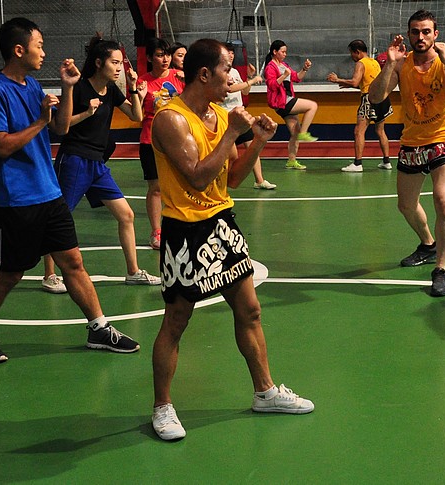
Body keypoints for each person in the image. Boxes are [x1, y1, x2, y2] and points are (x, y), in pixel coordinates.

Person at [149, 38, 314, 441]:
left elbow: (233, 179)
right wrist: (233, 131)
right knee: (177, 321)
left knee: (251, 310)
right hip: (185, 231)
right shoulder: (171, 119)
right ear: (205, 74)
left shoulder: (220, 116)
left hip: (221, 223)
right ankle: (162, 407)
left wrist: (256, 139)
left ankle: (265, 391)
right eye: (227, 70)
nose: (233, 78)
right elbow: (198, 176)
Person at [0, 17, 139, 364]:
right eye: (38, 45)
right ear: (19, 50)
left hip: (48, 191)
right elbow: (2, 146)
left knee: (74, 262)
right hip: (15, 198)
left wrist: (66, 89)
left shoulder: (33, 85)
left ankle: (98, 328)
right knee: (11, 273)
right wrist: (38, 121)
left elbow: (61, 128)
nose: (43, 52)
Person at [368, 9, 445, 297]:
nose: (420, 37)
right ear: (409, 34)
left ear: (435, 34)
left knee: (443, 199)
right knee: (405, 205)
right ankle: (428, 244)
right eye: (415, 31)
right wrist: (389, 65)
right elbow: (375, 96)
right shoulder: (401, 64)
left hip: (444, 139)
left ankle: (440, 268)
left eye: (426, 31)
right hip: (412, 143)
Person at [41, 35, 161, 289]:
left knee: (126, 215)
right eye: (114, 63)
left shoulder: (112, 90)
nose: (118, 68)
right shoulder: (81, 87)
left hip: (97, 164)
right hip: (74, 160)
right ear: (98, 63)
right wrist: (87, 113)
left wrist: (135, 91)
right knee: (59, 217)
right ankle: (49, 275)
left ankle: (133, 271)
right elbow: (59, 126)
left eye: (120, 63)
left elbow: (136, 116)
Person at [135, 36, 185, 249]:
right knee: (156, 188)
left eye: (166, 54)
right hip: (151, 139)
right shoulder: (142, 81)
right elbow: (136, 114)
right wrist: (137, 93)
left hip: (179, 137)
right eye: (159, 55)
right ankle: (156, 231)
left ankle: (182, 226)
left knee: (181, 184)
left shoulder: (180, 77)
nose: (164, 59)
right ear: (149, 57)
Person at [327, 39, 393, 172]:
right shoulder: (374, 62)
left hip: (369, 100)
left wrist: (337, 79)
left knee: (359, 131)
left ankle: (357, 164)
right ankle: (387, 161)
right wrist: (349, 85)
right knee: (380, 131)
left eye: (352, 53)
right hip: (382, 98)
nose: (351, 56)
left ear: (357, 52)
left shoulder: (360, 63)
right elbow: (368, 84)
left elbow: (356, 82)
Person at [221, 42, 276, 190]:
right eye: (228, 52)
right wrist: (251, 80)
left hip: (241, 117)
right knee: (231, 155)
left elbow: (244, 92)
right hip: (226, 118)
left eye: (232, 53)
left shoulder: (235, 72)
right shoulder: (220, 72)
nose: (231, 55)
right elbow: (230, 89)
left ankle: (260, 180)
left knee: (252, 148)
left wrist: (249, 77)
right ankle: (224, 183)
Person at [264, 40, 319, 170]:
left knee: (295, 133)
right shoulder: (270, 67)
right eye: (282, 52)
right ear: (275, 52)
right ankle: (304, 133)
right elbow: (271, 85)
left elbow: (297, 77)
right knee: (312, 106)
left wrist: (304, 69)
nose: (285, 54)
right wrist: (283, 75)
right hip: (282, 102)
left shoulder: (284, 65)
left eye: (285, 52)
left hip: (286, 101)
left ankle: (291, 161)